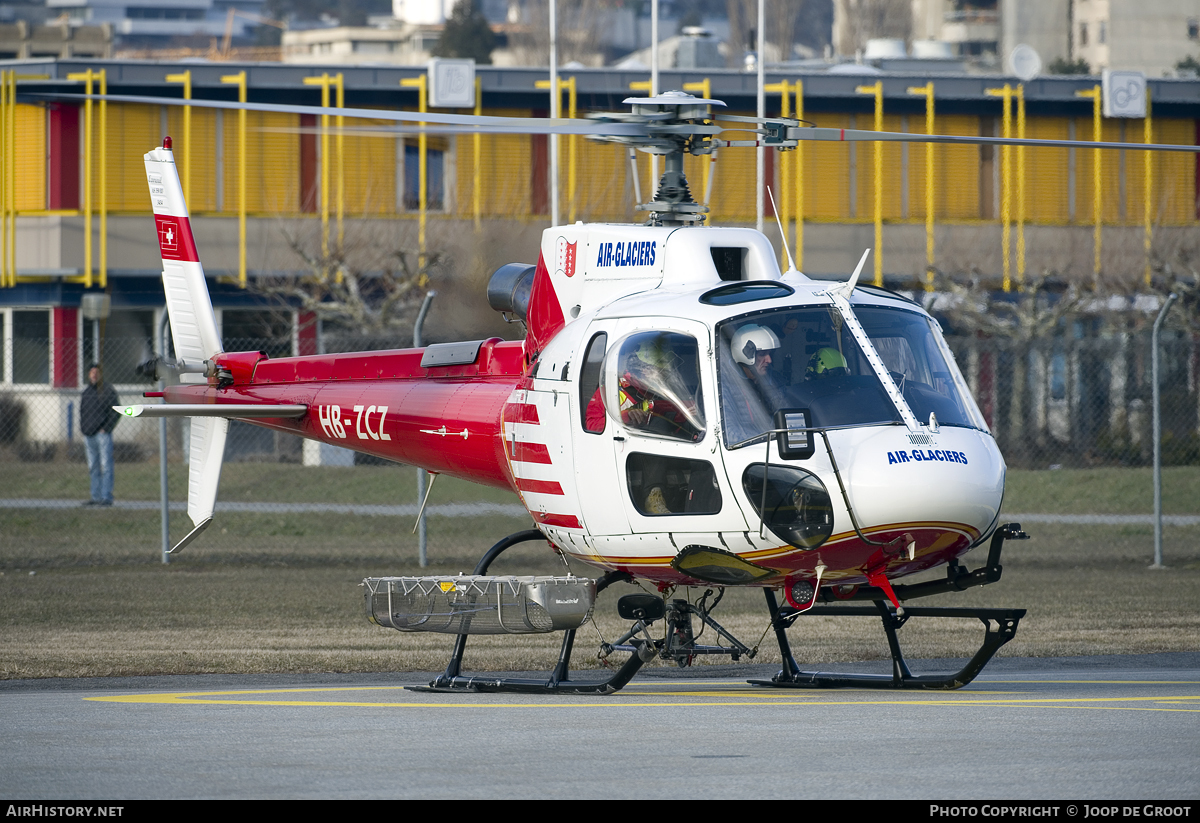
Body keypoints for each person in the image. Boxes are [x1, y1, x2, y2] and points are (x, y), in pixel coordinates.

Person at [80, 363, 119, 507]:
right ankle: (95, 497)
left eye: (97, 372)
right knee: (93, 467)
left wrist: (106, 428)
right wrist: (83, 428)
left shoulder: (108, 391)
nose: (94, 375)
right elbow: (82, 412)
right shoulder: (86, 392)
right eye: (91, 372)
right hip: (88, 435)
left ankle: (106, 497)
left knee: (106, 466)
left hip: (102, 435)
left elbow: (116, 412)